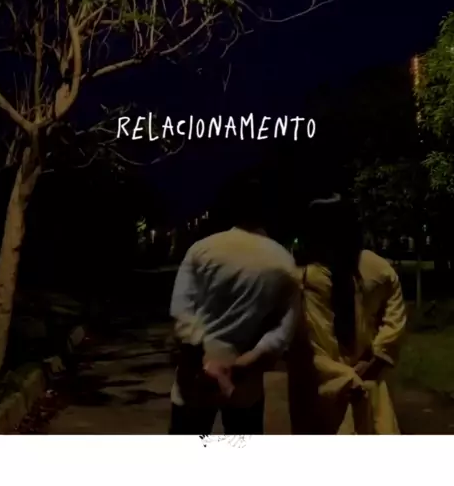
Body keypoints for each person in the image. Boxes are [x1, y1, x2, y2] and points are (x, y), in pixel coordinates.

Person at [169, 185, 300, 435]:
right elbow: (281, 334)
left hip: (195, 378)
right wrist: (239, 366)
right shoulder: (283, 261)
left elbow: (182, 313)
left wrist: (206, 363)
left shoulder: (202, 249)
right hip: (245, 384)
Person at [288, 194, 406, 434]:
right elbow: (394, 323)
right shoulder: (379, 269)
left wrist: (343, 377)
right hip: (369, 382)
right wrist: (373, 362)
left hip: (321, 393)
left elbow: (307, 347)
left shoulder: (302, 277)